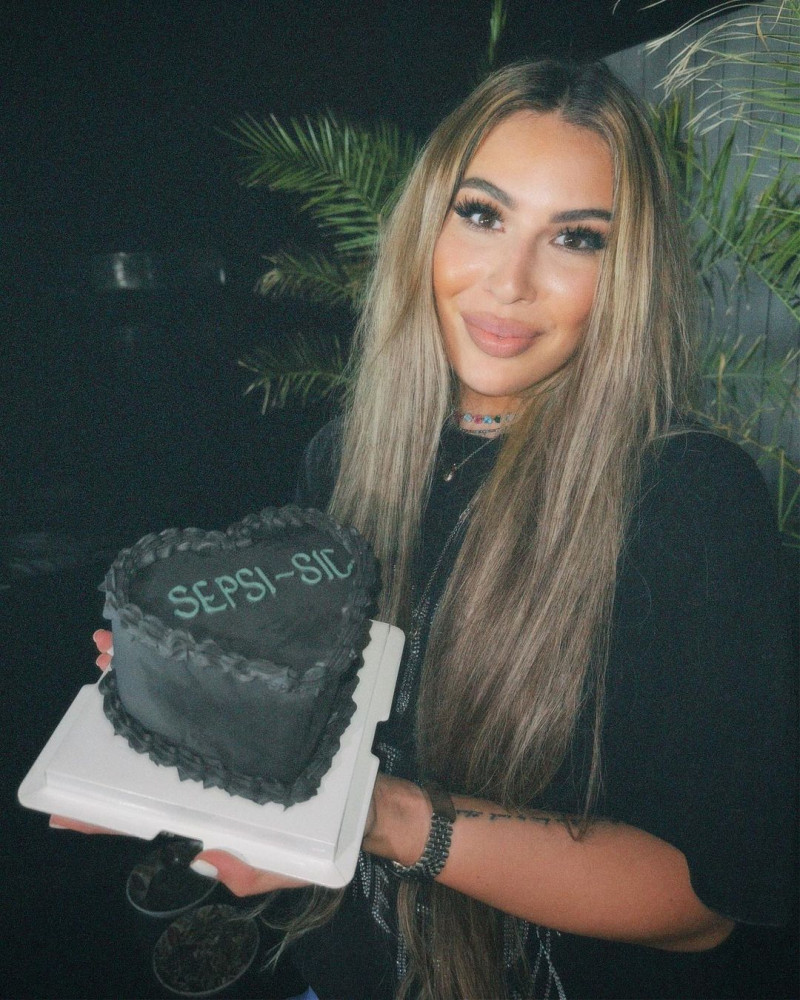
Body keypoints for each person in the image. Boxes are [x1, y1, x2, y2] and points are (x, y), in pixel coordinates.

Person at [68, 59, 795, 999]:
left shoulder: (688, 497)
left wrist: (378, 819)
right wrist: (213, 701)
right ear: (427, 225)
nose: (509, 282)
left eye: (577, 238)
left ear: (628, 275)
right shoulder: (346, 454)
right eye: (482, 215)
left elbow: (705, 904)